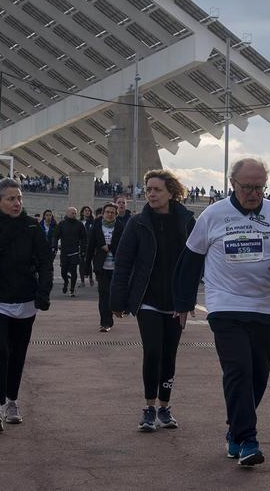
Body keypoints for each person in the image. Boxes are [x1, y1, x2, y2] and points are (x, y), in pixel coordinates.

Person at [174, 158, 270, 466]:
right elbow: (190, 261)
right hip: (225, 305)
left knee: (258, 375)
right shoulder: (213, 214)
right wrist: (182, 303)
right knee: (238, 371)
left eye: (260, 187)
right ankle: (248, 439)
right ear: (233, 184)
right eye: (247, 187)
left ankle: (235, 430)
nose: (254, 194)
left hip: (264, 308)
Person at [111, 169, 197, 432]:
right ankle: (149, 408)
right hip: (147, 299)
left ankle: (164, 408)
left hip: (176, 300)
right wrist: (117, 300)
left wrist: (188, 301)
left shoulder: (186, 222)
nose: (151, 193)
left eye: (157, 189)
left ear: (171, 192)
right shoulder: (137, 223)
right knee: (153, 352)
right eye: (148, 189)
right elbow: (123, 262)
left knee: (169, 354)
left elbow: (195, 264)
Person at [0, 178, 53, 432]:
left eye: (19, 198)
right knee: (1, 350)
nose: (17, 203)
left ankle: (12, 402)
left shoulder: (31, 226)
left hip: (25, 300)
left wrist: (43, 292)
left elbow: (45, 262)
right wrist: (4, 235)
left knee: (18, 354)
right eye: (11, 199)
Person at [86, 203, 121, 332]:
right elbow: (90, 247)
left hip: (116, 268)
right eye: (107, 212)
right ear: (103, 213)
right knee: (103, 295)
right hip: (101, 267)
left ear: (116, 214)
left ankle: (115, 311)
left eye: (112, 212)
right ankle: (105, 322)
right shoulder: (96, 226)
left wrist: (110, 247)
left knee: (113, 294)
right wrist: (86, 269)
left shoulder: (120, 227)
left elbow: (124, 246)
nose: (110, 214)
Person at [53, 207, 87, 298]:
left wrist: (83, 249)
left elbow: (84, 238)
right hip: (64, 251)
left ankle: (72, 290)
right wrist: (54, 246)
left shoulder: (79, 224)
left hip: (75, 251)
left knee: (73, 270)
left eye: (75, 213)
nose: (74, 214)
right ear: (67, 213)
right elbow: (56, 236)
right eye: (72, 213)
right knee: (63, 270)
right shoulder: (62, 224)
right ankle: (66, 282)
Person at [78, 205, 96, 287]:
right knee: (81, 263)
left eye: (89, 210)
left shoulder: (93, 222)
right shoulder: (79, 222)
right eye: (85, 210)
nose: (87, 212)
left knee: (89, 262)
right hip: (82, 245)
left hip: (91, 245)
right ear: (82, 212)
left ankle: (91, 278)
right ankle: (82, 281)